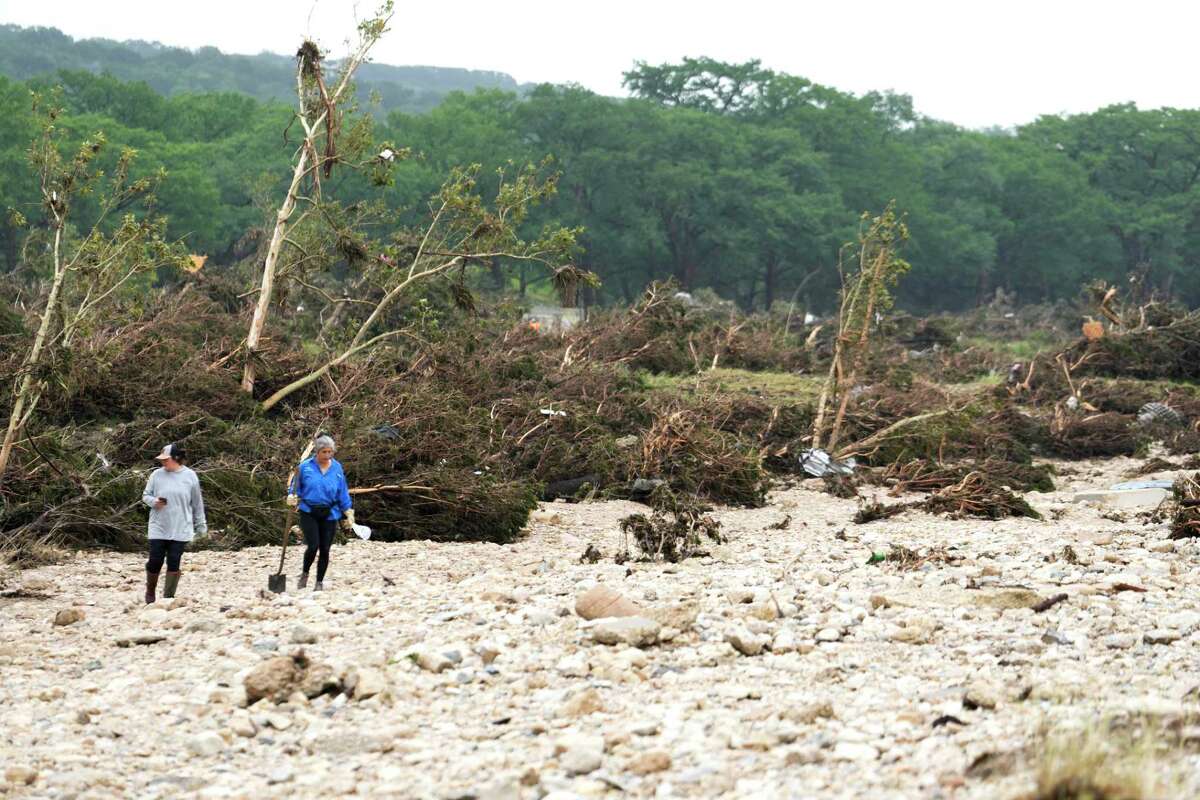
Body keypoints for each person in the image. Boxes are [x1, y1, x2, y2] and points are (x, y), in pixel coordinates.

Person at [141, 443, 207, 604]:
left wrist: (201, 525)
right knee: (155, 559)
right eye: (162, 460)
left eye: (166, 459)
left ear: (176, 459)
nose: (163, 463)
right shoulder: (156, 475)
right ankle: (150, 592)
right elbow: (145, 495)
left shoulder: (190, 476)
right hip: (159, 525)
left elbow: (197, 503)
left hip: (181, 526)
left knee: (174, 560)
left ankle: (168, 597)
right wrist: (154, 501)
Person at [288, 434, 353, 591]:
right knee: (313, 545)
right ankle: (304, 574)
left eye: (330, 452)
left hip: (330, 512)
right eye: (324, 452)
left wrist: (348, 511)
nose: (327, 455)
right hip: (308, 510)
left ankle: (319, 583)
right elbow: (295, 486)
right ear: (317, 451)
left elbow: (342, 490)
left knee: (325, 548)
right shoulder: (305, 467)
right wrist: (292, 496)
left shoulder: (337, 468)